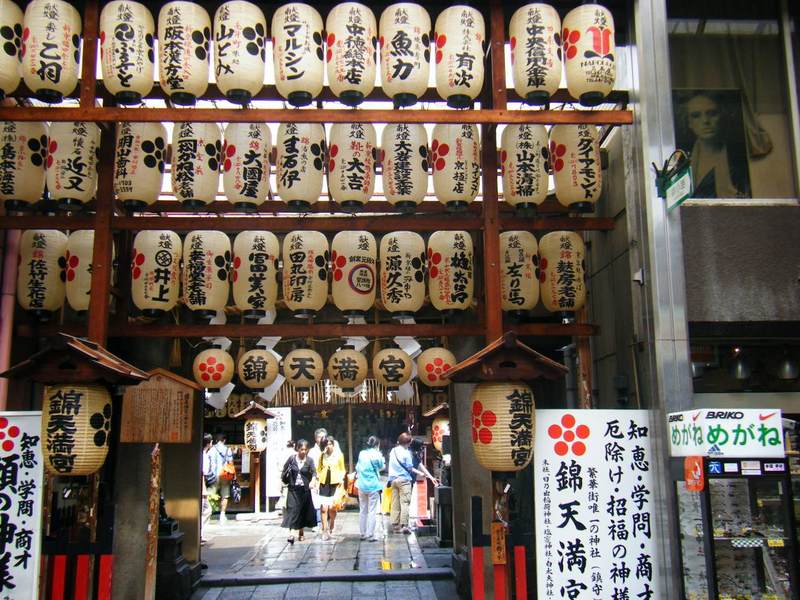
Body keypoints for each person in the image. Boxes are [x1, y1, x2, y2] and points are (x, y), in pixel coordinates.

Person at [683, 92, 750, 198]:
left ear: (722, 116)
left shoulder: (740, 160)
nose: (705, 121)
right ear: (689, 123)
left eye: (712, 113)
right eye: (696, 116)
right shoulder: (682, 162)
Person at [387, 432, 426, 534]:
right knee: (405, 503)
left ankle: (395, 525)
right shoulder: (406, 453)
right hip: (404, 480)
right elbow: (410, 467)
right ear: (408, 442)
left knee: (395, 502)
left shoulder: (393, 451)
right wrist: (421, 473)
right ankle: (404, 525)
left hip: (394, 480)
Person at [281, 439, 318, 543]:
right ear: (297, 449)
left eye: (305, 449)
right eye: (301, 449)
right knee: (293, 510)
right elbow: (284, 470)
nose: (303, 451)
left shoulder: (309, 460)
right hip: (293, 489)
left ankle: (301, 531)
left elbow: (314, 472)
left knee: (302, 510)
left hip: (304, 489)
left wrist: (313, 481)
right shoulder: (292, 459)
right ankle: (292, 534)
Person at [356, 435, 385, 541]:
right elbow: (382, 466)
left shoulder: (362, 453)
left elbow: (358, 467)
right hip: (373, 485)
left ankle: (362, 533)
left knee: (363, 510)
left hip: (361, 485)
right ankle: (370, 533)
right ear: (377, 444)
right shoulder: (377, 454)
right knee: (372, 510)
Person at [316, 436, 346, 540]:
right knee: (324, 508)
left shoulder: (339, 456)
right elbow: (318, 469)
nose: (328, 446)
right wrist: (317, 480)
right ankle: (325, 529)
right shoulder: (321, 456)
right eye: (326, 444)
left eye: (330, 444)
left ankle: (332, 522)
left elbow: (342, 469)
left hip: (335, 483)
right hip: (324, 483)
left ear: (333, 445)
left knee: (333, 507)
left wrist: (341, 480)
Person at [208, 433, 233, 524]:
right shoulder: (227, 449)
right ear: (224, 440)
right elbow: (230, 462)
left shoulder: (212, 449)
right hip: (225, 475)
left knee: (211, 494)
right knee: (225, 495)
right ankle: (222, 515)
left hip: (213, 475)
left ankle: (209, 513)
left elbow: (208, 460)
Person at [201, 433, 214, 544]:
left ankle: (200, 534)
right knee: (206, 510)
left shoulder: (203, 454)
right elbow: (202, 474)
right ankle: (199, 534)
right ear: (209, 443)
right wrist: (204, 490)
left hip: (202, 485)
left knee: (205, 510)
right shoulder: (204, 456)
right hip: (201, 486)